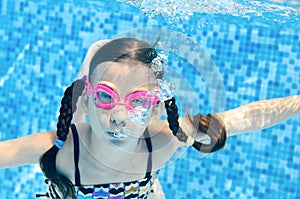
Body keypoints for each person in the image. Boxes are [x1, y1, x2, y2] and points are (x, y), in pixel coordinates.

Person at [0, 38, 299, 199]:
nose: (119, 116)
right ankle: (93, 73)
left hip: (144, 188)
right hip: (81, 147)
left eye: (138, 102)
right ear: (90, 98)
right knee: (84, 116)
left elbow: (244, 119)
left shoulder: (166, 140)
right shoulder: (61, 149)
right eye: (105, 96)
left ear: (156, 108)